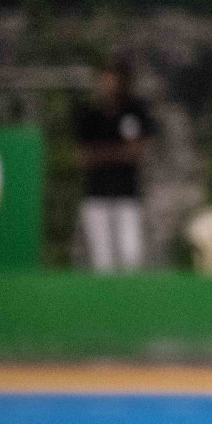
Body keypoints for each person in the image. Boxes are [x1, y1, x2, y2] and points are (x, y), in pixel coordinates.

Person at [73, 58, 155, 272]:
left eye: (113, 80)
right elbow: (82, 157)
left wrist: (102, 154)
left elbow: (136, 152)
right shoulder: (89, 116)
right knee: (102, 260)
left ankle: (132, 304)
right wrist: (118, 152)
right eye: (104, 80)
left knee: (131, 255)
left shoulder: (134, 111)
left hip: (127, 192)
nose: (108, 85)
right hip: (96, 194)